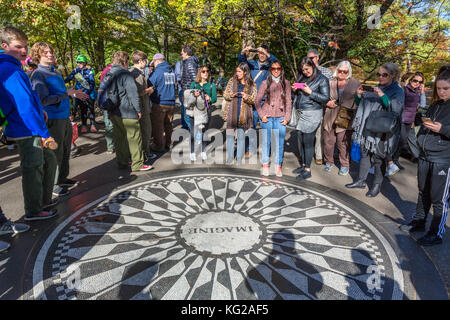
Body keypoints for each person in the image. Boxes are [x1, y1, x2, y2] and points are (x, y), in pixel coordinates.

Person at [0, 26, 58, 221]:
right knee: (33, 167)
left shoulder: (13, 66)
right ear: (4, 45)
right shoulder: (9, 69)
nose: (23, 51)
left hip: (27, 125)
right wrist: (43, 132)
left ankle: (42, 200)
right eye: (18, 47)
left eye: (25, 46)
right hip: (26, 127)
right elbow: (24, 105)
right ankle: (34, 210)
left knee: (47, 161)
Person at [400, 66, 450, 246]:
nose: (441, 92)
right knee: (423, 192)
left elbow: (443, 129)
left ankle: (436, 233)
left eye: (445, 89)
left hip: (443, 159)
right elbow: (425, 126)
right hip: (425, 156)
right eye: (439, 88)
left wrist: (442, 129)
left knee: (439, 198)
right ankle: (419, 221)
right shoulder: (436, 105)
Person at [30, 42, 87, 198]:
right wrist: (66, 94)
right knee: (55, 152)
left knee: (66, 149)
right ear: (38, 56)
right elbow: (42, 100)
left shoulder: (55, 72)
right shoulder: (38, 74)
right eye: (45, 52)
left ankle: (62, 178)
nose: (50, 54)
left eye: (51, 51)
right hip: (53, 118)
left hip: (63, 116)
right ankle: (53, 184)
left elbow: (63, 93)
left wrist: (73, 94)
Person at [346, 63, 404, 197]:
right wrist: (359, 96)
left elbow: (396, 109)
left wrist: (382, 95)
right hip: (368, 126)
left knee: (378, 158)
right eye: (378, 74)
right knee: (365, 153)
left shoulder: (397, 90)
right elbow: (363, 105)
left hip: (383, 130)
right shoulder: (376, 87)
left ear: (393, 75)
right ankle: (360, 180)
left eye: (384, 75)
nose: (380, 77)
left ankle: (376, 186)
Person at [106, 51, 152, 172]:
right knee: (134, 138)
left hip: (114, 111)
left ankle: (122, 162)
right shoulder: (125, 74)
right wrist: (138, 110)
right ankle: (137, 164)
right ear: (125, 62)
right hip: (128, 111)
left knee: (120, 138)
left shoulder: (109, 73)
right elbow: (133, 94)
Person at [292, 57, 330, 180]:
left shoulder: (322, 79)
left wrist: (310, 92)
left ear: (313, 66)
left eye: (307, 69)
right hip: (300, 113)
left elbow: (325, 98)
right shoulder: (302, 78)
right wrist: (294, 91)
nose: (305, 72)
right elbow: (297, 96)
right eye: (303, 70)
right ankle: (304, 165)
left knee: (308, 142)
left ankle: (307, 170)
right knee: (301, 141)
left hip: (312, 113)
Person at [322, 61, 360, 176]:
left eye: (345, 71)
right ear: (337, 70)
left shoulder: (354, 83)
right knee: (328, 140)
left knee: (342, 141)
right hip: (330, 114)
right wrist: (327, 103)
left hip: (345, 116)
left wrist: (358, 97)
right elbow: (322, 97)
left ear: (349, 72)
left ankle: (345, 165)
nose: (342, 73)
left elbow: (359, 102)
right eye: (340, 70)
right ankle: (329, 161)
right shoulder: (330, 82)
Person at [385, 72, 427, 175]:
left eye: (420, 82)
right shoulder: (403, 90)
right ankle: (388, 162)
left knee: (402, 142)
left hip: (410, 121)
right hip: (400, 120)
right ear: (411, 80)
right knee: (396, 141)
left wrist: (422, 92)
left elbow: (422, 105)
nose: (417, 83)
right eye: (415, 80)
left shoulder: (417, 92)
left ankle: (394, 161)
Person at [255, 61, 291, 177]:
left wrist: (287, 117)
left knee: (279, 143)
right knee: (266, 142)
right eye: (273, 68)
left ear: (281, 69)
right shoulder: (265, 83)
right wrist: (262, 115)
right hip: (267, 117)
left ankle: (277, 166)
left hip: (280, 117)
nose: (276, 70)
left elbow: (289, 101)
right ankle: (265, 165)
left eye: (278, 68)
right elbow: (257, 100)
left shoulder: (286, 83)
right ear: (270, 70)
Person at [223, 62, 257, 164]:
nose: (237, 73)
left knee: (241, 136)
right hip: (231, 112)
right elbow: (225, 95)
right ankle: (229, 157)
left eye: (239, 71)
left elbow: (254, 99)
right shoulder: (232, 81)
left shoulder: (251, 84)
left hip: (243, 114)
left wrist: (247, 97)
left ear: (245, 72)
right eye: (236, 71)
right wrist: (230, 95)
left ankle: (238, 157)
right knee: (230, 135)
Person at [239, 44, 278, 131]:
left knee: (266, 128)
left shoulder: (270, 66)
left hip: (265, 101)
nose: (262, 55)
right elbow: (242, 63)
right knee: (251, 128)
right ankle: (250, 145)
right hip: (253, 100)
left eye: (264, 53)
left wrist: (266, 53)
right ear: (257, 54)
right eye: (260, 53)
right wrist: (243, 53)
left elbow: (277, 63)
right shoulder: (252, 64)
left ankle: (266, 144)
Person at [306, 49, 333, 166]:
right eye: (308, 58)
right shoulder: (305, 71)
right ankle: (305, 155)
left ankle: (318, 156)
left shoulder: (325, 72)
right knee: (307, 133)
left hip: (321, 106)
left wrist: (327, 102)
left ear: (317, 58)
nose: (310, 60)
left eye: (312, 58)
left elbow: (330, 89)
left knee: (319, 133)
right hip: (307, 106)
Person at [187, 65, 217, 161]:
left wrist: (210, 99)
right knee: (193, 133)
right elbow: (187, 95)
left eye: (207, 71)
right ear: (199, 73)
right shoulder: (194, 84)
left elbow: (215, 98)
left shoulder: (212, 85)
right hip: (194, 112)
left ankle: (203, 151)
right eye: (203, 71)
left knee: (204, 132)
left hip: (205, 112)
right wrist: (193, 94)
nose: (206, 73)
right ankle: (192, 152)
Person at [148, 53, 177, 152]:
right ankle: (169, 143)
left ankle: (158, 145)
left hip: (160, 103)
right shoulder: (171, 71)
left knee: (158, 125)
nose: (153, 65)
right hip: (171, 103)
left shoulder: (157, 72)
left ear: (157, 61)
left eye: (154, 63)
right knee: (169, 124)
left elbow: (149, 85)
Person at [130, 50, 154, 161]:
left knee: (144, 131)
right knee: (145, 131)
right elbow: (134, 92)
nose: (147, 63)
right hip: (141, 108)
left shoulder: (135, 72)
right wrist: (148, 90)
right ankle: (145, 154)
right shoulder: (136, 73)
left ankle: (144, 153)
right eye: (145, 60)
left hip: (141, 107)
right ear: (140, 61)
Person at [65, 54, 97, 133]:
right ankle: (84, 125)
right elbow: (68, 78)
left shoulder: (89, 72)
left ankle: (93, 124)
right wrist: (60, 82)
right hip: (79, 95)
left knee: (91, 109)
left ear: (84, 63)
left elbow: (92, 84)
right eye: (77, 62)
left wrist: (86, 93)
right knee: (83, 110)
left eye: (80, 62)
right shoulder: (76, 71)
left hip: (89, 94)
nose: (78, 64)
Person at [180, 45, 199, 131]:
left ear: (186, 53)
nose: (181, 54)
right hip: (188, 92)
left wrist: (189, 93)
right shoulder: (189, 62)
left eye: (182, 53)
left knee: (187, 116)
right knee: (189, 115)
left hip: (189, 93)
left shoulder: (189, 63)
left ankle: (196, 136)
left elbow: (195, 79)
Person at [99, 63, 115, 153]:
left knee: (110, 125)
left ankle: (111, 146)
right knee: (110, 125)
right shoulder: (108, 71)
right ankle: (110, 146)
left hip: (108, 102)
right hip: (109, 102)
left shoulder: (108, 70)